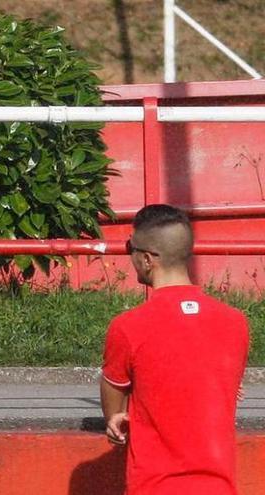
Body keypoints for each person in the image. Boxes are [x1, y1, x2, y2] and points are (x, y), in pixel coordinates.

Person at [100, 204, 249, 494]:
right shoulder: (236, 324)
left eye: (130, 248)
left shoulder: (128, 327)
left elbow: (115, 408)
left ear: (146, 259)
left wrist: (114, 420)